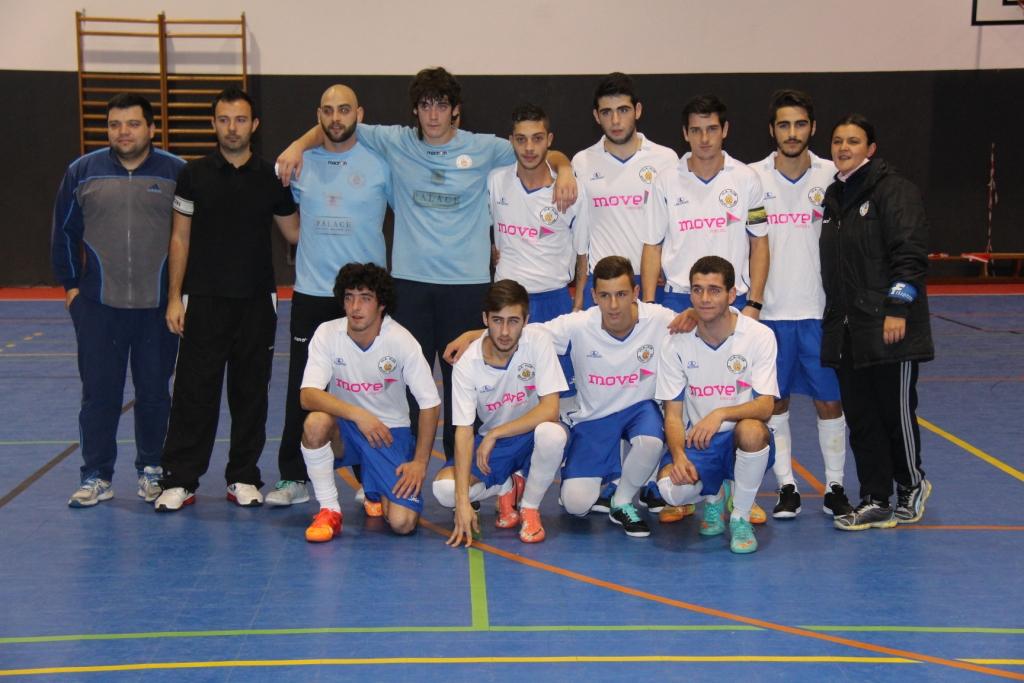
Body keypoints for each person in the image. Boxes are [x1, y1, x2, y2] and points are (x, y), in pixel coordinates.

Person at [275, 67, 577, 465]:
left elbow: (538, 151)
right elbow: (338, 126)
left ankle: (459, 470)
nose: (432, 115)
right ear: (415, 111)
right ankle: (399, 465)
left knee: (460, 383)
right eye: (424, 106)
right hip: (411, 286)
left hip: (466, 286)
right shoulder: (396, 142)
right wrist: (297, 146)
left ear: (456, 111)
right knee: (405, 383)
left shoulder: (484, 148)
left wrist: (567, 169)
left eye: (441, 106)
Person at [446, 256, 691, 538]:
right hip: (593, 419)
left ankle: (621, 501)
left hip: (639, 412)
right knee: (576, 506)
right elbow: (522, 331)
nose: (613, 305)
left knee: (650, 439)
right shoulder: (577, 325)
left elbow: (700, 321)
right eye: (605, 295)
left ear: (635, 293)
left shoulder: (659, 320)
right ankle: (602, 483)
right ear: (593, 295)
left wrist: (695, 314)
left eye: (621, 294)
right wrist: (474, 335)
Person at [154, 88, 300, 512]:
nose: (231, 128)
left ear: (254, 125)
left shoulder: (271, 177)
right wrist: (175, 298)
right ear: (213, 123)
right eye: (223, 119)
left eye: (240, 120)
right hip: (203, 300)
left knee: (250, 393)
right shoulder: (193, 175)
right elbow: (179, 238)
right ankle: (180, 478)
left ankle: (243, 477)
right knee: (193, 394)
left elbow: (295, 233)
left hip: (256, 302)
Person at [640, 93, 770, 524]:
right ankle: (684, 490)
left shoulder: (747, 179)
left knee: (738, 396)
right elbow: (652, 245)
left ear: (725, 130)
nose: (704, 138)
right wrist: (650, 306)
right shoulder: (665, 180)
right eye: (695, 130)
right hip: (682, 296)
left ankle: (738, 496)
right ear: (684, 134)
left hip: (730, 300)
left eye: (712, 128)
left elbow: (759, 242)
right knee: (679, 400)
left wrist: (753, 301)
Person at [51, 93, 183, 507]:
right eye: (114, 125)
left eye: (132, 124)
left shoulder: (177, 172)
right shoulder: (81, 172)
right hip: (98, 308)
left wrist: (182, 294)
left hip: (157, 309)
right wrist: (73, 289)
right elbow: (64, 233)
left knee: (155, 394)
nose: (123, 132)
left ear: (151, 128)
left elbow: (193, 238)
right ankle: (96, 475)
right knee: (99, 395)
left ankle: (151, 469)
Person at [266, 84, 392, 510]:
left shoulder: (381, 163)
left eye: (343, 109)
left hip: (364, 298)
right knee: (304, 386)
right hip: (313, 294)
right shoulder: (302, 164)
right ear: (317, 115)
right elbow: (290, 224)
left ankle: (369, 477)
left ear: (359, 112)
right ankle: (293, 476)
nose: (335, 118)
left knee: (369, 388)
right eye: (327, 111)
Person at [820, 114, 934, 531]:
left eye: (853, 141)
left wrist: (898, 308)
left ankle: (910, 485)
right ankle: (875, 497)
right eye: (837, 141)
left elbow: (910, 253)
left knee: (895, 412)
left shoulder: (894, 191)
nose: (844, 147)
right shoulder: (835, 197)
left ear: (871, 149)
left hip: (889, 328)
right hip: (848, 330)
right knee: (862, 417)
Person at [751, 90, 852, 519]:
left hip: (821, 314)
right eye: (783, 125)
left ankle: (834, 486)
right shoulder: (752, 178)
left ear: (812, 127)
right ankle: (786, 486)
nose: (792, 133)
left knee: (830, 402)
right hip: (770, 316)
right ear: (772, 129)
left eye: (800, 124)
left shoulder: (835, 175)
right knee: (776, 405)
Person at [299, 263, 441, 541]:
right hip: (348, 430)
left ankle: (375, 489)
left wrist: (420, 463)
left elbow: (430, 403)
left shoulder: (401, 341)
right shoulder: (328, 333)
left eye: (365, 298)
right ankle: (329, 509)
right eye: (349, 297)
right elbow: (308, 395)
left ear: (381, 304)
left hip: (389, 433)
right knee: (315, 422)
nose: (355, 307)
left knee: (402, 523)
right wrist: (358, 415)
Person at [656, 256, 779, 554]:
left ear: (731, 294)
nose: (704, 298)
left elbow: (765, 406)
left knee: (752, 431)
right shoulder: (675, 342)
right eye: (697, 290)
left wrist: (721, 413)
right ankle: (713, 496)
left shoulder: (759, 336)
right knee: (670, 491)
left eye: (713, 290)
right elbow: (672, 414)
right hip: (699, 441)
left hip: (740, 439)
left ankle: (740, 514)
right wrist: (678, 455)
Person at [438, 280, 568, 546]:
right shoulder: (467, 364)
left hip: (531, 435)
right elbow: (463, 431)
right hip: (496, 446)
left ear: (526, 320)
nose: (505, 331)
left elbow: (550, 409)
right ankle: (508, 485)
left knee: (552, 434)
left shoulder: (538, 342)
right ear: (485, 319)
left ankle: (529, 508)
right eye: (497, 321)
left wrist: (496, 433)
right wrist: (463, 502)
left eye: (513, 321)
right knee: (444, 490)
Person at [489, 102, 589, 395]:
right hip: (507, 302)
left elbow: (583, 255)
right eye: (521, 139)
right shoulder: (495, 182)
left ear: (550, 140)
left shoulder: (571, 192)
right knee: (512, 393)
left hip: (554, 302)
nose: (529, 147)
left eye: (537, 138)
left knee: (559, 395)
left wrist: (578, 305)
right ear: (511, 142)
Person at [573, 73, 678, 309]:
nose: (615, 121)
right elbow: (578, 232)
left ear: (637, 110)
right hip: (602, 284)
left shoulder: (666, 159)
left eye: (623, 110)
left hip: (652, 282)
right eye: (606, 112)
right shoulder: (581, 162)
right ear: (596, 116)